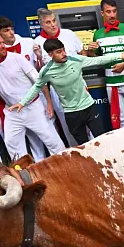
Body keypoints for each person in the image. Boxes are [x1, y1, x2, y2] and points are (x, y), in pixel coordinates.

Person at [8, 39, 124, 145]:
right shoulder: (46, 71)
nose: (64, 54)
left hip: (89, 107)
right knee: (83, 146)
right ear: (50, 54)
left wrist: (120, 55)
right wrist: (22, 103)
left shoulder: (76, 60)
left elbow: (99, 60)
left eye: (63, 50)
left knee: (101, 140)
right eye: (59, 52)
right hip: (71, 113)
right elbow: (37, 87)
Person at [0, 31, 66, 159]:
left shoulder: (17, 58)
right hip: (12, 111)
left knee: (52, 141)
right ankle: (22, 170)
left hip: (33, 107)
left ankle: (65, 165)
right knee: (12, 144)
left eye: (3, 42)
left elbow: (39, 81)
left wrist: (49, 103)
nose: (3, 46)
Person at [32, 8, 82, 147]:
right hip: (57, 88)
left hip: (77, 83)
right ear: (41, 24)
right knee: (68, 124)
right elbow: (39, 72)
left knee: (86, 120)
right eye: (48, 22)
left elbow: (82, 54)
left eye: (54, 20)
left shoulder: (69, 34)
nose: (53, 24)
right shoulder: (37, 42)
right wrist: (39, 57)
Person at [91, 0, 124, 129]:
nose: (112, 15)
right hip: (111, 84)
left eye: (114, 11)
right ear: (102, 13)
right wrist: (91, 51)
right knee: (122, 121)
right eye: (108, 12)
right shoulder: (98, 34)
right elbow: (96, 59)